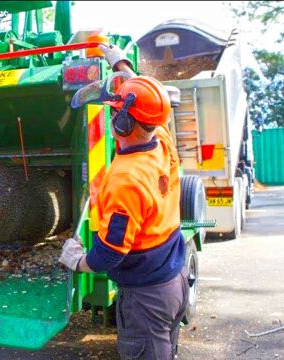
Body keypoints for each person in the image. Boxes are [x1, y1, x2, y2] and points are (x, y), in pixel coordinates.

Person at [60, 44, 189, 359]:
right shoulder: (160, 135)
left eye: (116, 111)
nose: (113, 113)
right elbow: (144, 96)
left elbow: (109, 255)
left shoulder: (127, 180)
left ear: (123, 125)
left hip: (147, 299)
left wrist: (77, 260)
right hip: (173, 279)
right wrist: (121, 64)